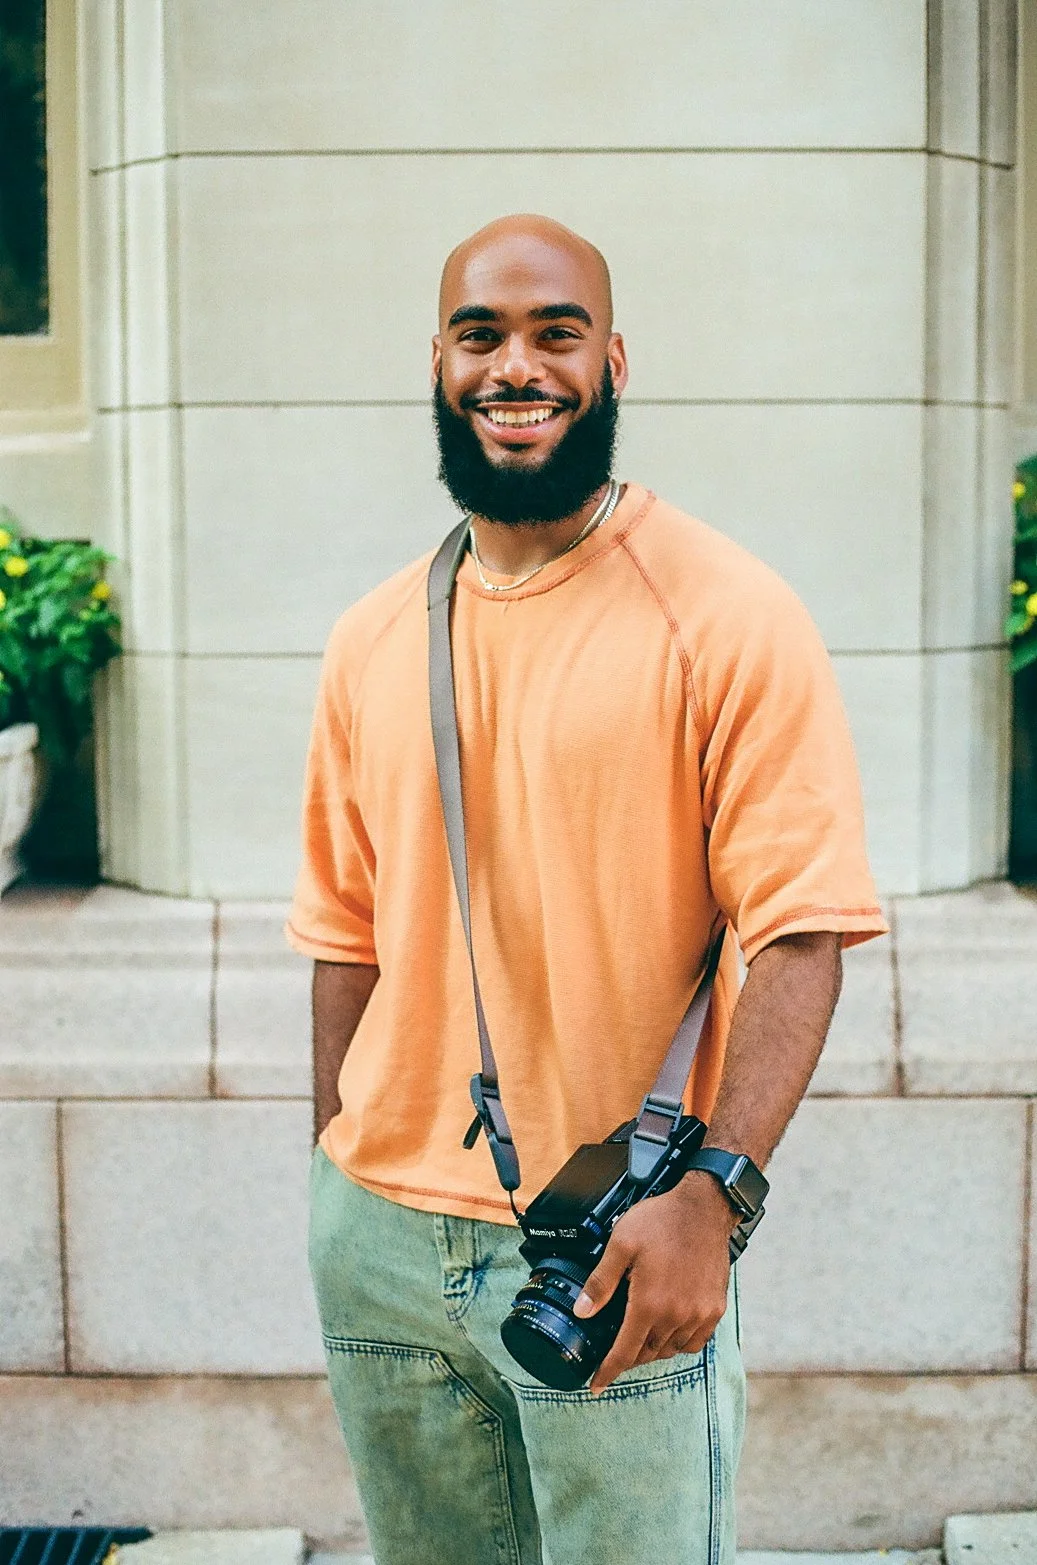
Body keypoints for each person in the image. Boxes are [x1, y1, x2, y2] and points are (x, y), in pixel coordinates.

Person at [286, 213, 887, 1565]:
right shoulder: (373, 635)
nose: (519, 366)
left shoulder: (728, 614)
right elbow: (343, 933)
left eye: (556, 334)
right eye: (480, 334)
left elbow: (805, 933)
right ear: (436, 363)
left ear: (613, 361)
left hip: (615, 1250)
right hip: (382, 1246)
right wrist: (337, 1170)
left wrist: (713, 1199)